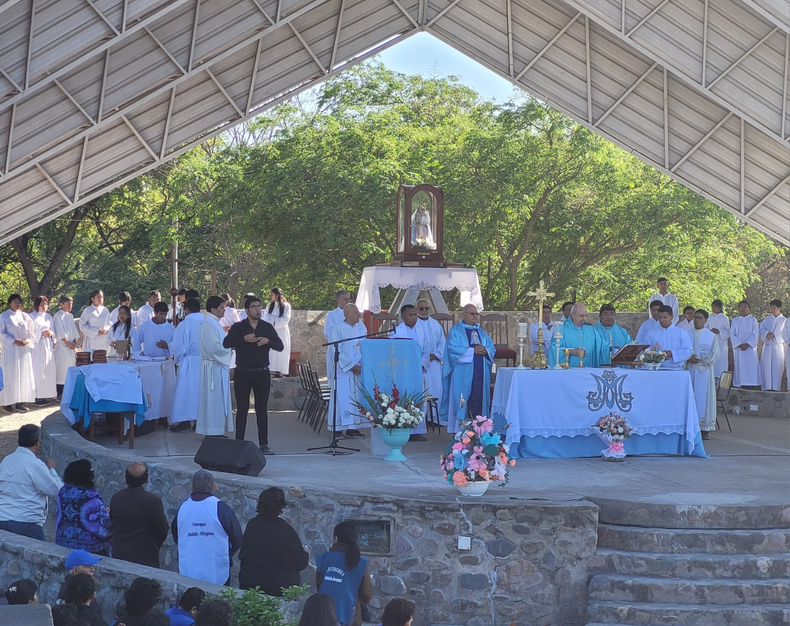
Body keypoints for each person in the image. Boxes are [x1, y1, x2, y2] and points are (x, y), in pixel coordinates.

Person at [223, 296, 284, 454]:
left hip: (262, 373)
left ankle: (263, 444)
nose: (258, 309)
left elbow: (280, 346)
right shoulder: (239, 327)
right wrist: (244, 339)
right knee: (242, 409)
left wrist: (267, 342)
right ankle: (239, 443)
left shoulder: (267, 327)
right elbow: (226, 343)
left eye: (259, 306)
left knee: (261, 409)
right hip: (242, 373)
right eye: (255, 307)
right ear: (247, 310)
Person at [172, 470, 242, 585]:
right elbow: (237, 538)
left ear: (191, 487)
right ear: (214, 487)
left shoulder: (182, 509)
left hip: (189, 567)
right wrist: (229, 552)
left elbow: (177, 535)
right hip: (217, 568)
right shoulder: (222, 509)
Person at [239, 487, 309, 595]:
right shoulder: (286, 530)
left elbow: (243, 554)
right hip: (278, 589)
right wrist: (305, 553)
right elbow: (301, 563)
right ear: (281, 507)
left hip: (250, 584)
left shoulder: (252, 525)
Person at [0, 424, 63, 540]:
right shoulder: (35, 464)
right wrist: (52, 470)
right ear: (37, 442)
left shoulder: (6, 461)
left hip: (2, 519)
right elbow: (57, 490)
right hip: (27, 523)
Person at [440, 304, 496, 432]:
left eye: (476, 314)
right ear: (464, 314)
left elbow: (492, 348)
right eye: (472, 314)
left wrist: (485, 350)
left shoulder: (481, 332)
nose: (475, 316)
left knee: (480, 399)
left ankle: (480, 430)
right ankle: (459, 431)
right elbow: (452, 349)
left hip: (480, 373)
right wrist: (472, 351)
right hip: (463, 373)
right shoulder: (456, 330)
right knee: (462, 398)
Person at [109, 462, 169, 568]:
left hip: (120, 555)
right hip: (146, 556)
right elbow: (162, 528)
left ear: (126, 478)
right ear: (146, 478)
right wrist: (154, 545)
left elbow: (113, 523)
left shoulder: (116, 498)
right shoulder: (153, 501)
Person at [316, 521, 373, 626]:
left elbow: (319, 586)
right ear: (356, 539)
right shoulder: (361, 563)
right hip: (350, 617)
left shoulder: (323, 559)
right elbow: (367, 594)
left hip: (323, 614)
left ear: (336, 538)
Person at [56, 459, 112, 556]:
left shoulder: (63, 492)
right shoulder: (91, 496)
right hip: (90, 549)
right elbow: (104, 523)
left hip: (63, 544)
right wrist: (109, 513)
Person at [328, 303, 368, 439]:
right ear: (347, 314)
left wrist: (361, 364)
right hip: (343, 370)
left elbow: (365, 345)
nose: (359, 315)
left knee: (356, 398)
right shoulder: (337, 329)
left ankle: (353, 428)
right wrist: (350, 365)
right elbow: (335, 349)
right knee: (341, 398)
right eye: (356, 313)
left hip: (358, 369)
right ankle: (338, 428)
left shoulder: (361, 327)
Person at [391, 304, 430, 441]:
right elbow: (394, 352)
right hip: (404, 371)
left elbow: (426, 350)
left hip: (418, 370)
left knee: (417, 397)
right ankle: (403, 427)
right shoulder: (396, 332)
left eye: (415, 314)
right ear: (402, 316)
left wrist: (421, 363)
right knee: (404, 397)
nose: (414, 317)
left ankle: (417, 430)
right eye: (410, 315)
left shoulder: (421, 330)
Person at [197, 296, 234, 438]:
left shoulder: (214, 323)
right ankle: (212, 431)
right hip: (213, 368)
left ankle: (215, 430)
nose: (224, 310)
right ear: (213, 309)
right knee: (212, 400)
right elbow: (214, 348)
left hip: (216, 367)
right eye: (221, 308)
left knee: (216, 400)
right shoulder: (208, 324)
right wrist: (230, 349)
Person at [169, 297, 203, 432]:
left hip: (189, 361)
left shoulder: (184, 324)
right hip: (204, 361)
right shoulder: (207, 322)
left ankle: (184, 420)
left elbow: (178, 345)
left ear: (187, 310)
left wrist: (176, 358)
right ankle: (199, 421)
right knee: (200, 392)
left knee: (186, 391)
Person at [687, 309, 720, 440]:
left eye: (700, 318)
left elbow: (715, 353)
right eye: (695, 317)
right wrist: (688, 358)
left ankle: (704, 429)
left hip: (704, 371)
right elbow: (682, 350)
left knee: (703, 398)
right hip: (689, 370)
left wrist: (702, 361)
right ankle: (689, 426)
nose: (696, 320)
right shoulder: (686, 334)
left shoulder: (711, 336)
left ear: (706, 320)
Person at [0, 294, 36, 413]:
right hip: (11, 349)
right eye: (15, 301)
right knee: (10, 375)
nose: (18, 304)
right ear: (10, 303)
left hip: (23, 350)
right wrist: (13, 340)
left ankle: (20, 402)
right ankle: (8, 403)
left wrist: (28, 340)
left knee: (23, 374)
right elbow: (1, 333)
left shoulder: (25, 317)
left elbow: (32, 332)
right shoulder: (4, 316)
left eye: (19, 302)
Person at [415, 299, 445, 413]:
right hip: (420, 363)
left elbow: (442, 343)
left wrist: (436, 355)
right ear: (416, 308)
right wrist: (424, 357)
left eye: (426, 308)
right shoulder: (414, 324)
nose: (424, 310)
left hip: (434, 363)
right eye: (421, 308)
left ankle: (434, 417)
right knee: (423, 388)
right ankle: (422, 417)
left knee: (436, 388)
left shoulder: (435, 324)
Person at [549, 303, 600, 369]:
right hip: (569, 372)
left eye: (586, 316)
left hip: (589, 370)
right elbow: (554, 349)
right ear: (573, 315)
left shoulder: (591, 329)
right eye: (581, 316)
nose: (585, 319)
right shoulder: (562, 328)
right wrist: (571, 351)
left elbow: (602, 346)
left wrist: (614, 350)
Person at [644, 306, 694, 370]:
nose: (662, 320)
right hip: (656, 369)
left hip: (676, 369)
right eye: (660, 317)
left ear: (671, 317)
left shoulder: (681, 333)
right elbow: (645, 350)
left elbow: (688, 351)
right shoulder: (651, 333)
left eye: (665, 317)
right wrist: (657, 356)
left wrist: (672, 354)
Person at [30, 295, 57, 405]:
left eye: (45, 304)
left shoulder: (48, 317)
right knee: (38, 370)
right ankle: (37, 396)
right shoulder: (31, 317)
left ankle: (46, 394)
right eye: (41, 304)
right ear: (36, 305)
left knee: (47, 370)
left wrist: (51, 333)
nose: (44, 306)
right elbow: (30, 332)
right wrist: (40, 333)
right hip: (37, 346)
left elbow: (52, 329)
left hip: (47, 345)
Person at [730, 301, 761, 388]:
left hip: (750, 349)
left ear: (748, 309)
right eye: (741, 307)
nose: (743, 308)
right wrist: (739, 344)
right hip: (739, 349)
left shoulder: (753, 320)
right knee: (740, 365)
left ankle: (752, 383)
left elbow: (755, 333)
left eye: (745, 307)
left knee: (751, 365)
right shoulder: (735, 321)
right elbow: (732, 334)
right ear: (738, 309)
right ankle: (739, 383)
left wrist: (748, 344)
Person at [324, 289, 352, 385]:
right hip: (337, 349)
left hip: (350, 350)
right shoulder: (332, 315)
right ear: (338, 300)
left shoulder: (354, 314)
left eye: (349, 299)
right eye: (345, 299)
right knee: (336, 381)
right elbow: (327, 332)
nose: (348, 302)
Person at [53, 295, 79, 397]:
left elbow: (74, 330)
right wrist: (68, 343)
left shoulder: (70, 316)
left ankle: (69, 391)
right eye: (68, 303)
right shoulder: (58, 316)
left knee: (70, 368)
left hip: (71, 346)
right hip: (63, 346)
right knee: (62, 369)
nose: (70, 305)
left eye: (71, 303)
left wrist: (75, 342)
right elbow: (60, 332)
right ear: (61, 304)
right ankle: (60, 392)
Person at [264, 288, 292, 376]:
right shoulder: (269, 306)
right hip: (271, 332)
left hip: (282, 332)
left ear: (277, 295)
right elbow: (265, 317)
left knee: (281, 351)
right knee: (271, 352)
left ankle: (280, 371)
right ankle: (271, 370)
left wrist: (274, 321)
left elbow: (285, 318)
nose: (270, 296)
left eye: (272, 294)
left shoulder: (286, 306)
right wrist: (273, 321)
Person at [759, 299, 786, 391]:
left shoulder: (784, 320)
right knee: (766, 367)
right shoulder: (767, 319)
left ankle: (776, 387)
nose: (772, 310)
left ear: (779, 308)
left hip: (777, 347)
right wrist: (767, 334)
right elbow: (761, 329)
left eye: (774, 308)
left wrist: (775, 335)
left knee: (777, 367)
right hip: (767, 347)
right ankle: (766, 387)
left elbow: (785, 333)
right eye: (771, 308)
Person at [706, 299, 731, 378]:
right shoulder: (709, 317)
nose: (713, 309)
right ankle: (711, 376)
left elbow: (728, 331)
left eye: (715, 307)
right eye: (712, 307)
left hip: (721, 342)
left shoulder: (724, 318)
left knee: (721, 359)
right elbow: (705, 327)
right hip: (711, 340)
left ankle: (721, 377)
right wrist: (710, 331)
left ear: (720, 308)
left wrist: (719, 331)